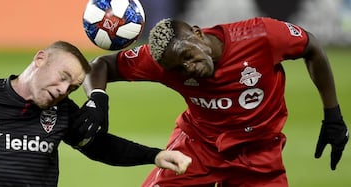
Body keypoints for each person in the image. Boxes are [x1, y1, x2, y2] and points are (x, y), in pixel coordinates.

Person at [83, 17, 349, 186]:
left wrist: (333, 115)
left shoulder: (260, 36)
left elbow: (311, 47)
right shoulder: (162, 62)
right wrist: (97, 102)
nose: (189, 68)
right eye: (179, 69)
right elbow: (100, 65)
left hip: (260, 155)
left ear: (198, 33)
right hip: (199, 148)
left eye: (188, 55)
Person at [0, 40, 191, 187]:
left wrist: (155, 155)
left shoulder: (62, 110)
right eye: (63, 77)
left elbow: (99, 146)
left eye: (71, 88)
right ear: (40, 59)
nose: (63, 90)